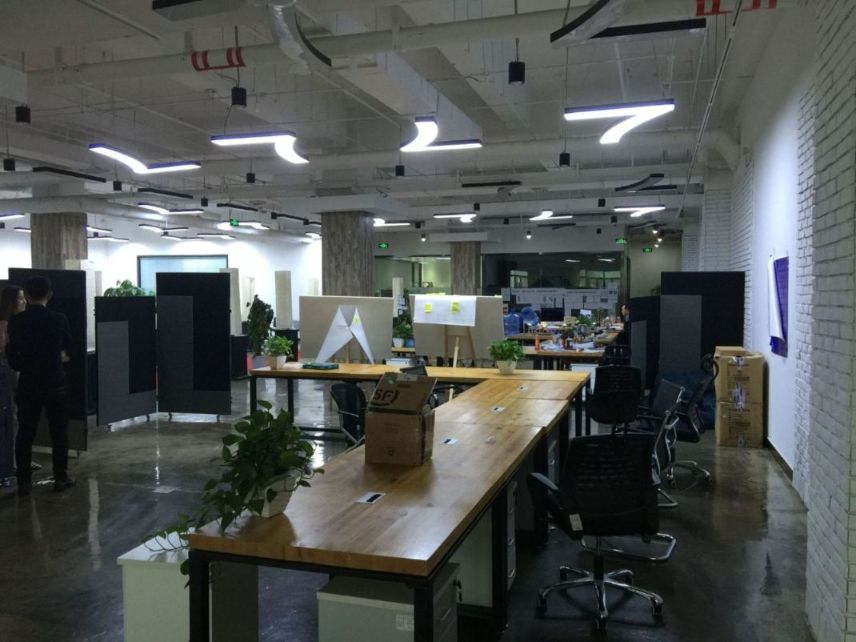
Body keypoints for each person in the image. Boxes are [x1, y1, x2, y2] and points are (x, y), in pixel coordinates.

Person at [5, 276, 75, 496]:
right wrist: (60, 358)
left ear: (27, 295)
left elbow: (11, 353)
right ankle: (60, 478)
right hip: (55, 382)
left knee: (25, 433)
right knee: (59, 433)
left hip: (29, 383)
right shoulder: (59, 319)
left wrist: (22, 365)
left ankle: (24, 483)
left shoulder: (17, 321)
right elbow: (69, 347)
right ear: (49, 294)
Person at [0, 285, 26, 487]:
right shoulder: (5, 324)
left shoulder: (18, 323)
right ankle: (11, 463)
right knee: (11, 416)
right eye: (20, 298)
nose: (24, 302)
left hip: (12, 371)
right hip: (6, 372)